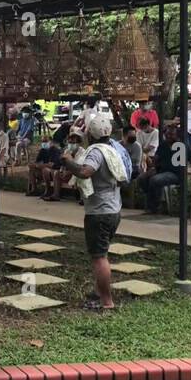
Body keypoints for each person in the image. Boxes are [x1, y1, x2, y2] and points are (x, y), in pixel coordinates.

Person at [62, 116, 127, 310]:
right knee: (103, 252)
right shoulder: (113, 150)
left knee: (99, 257)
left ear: (90, 134)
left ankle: (106, 301)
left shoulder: (96, 152)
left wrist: (68, 161)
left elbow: (85, 172)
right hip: (114, 209)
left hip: (99, 211)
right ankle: (98, 291)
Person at [139, 124, 190, 214]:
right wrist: (153, 168)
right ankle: (154, 200)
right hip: (161, 171)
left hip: (175, 174)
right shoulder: (163, 145)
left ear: (177, 135)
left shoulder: (183, 146)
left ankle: (155, 207)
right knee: (142, 178)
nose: (168, 136)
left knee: (155, 180)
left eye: (171, 134)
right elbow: (156, 158)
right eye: (167, 134)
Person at [43, 127, 86, 201]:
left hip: (77, 173)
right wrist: (62, 171)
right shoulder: (67, 151)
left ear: (78, 143)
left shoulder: (82, 152)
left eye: (73, 143)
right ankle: (56, 195)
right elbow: (63, 164)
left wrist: (69, 170)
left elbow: (79, 167)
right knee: (56, 173)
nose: (71, 144)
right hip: (68, 173)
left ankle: (82, 197)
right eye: (69, 142)